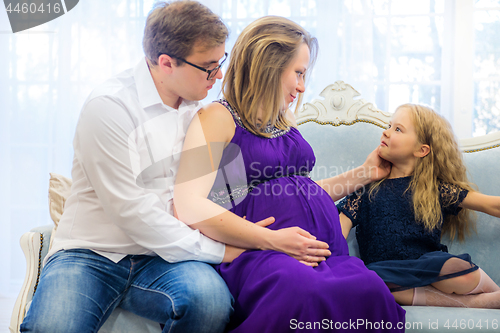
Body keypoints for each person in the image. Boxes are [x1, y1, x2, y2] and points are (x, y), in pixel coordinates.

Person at [18, 2, 294, 332]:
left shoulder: (203, 114)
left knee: (210, 303)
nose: (218, 75)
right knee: (53, 327)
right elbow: (134, 213)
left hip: (163, 260)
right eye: (208, 67)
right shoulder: (109, 108)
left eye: (220, 63)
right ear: (166, 64)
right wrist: (221, 250)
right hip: (92, 254)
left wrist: (253, 227)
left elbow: (223, 191)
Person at [174, 16, 406, 332]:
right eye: (297, 73)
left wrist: (366, 172)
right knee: (303, 293)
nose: (302, 85)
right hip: (261, 253)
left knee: (371, 288)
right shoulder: (217, 117)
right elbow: (188, 204)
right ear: (268, 66)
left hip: (323, 253)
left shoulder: (285, 120)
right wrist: (272, 240)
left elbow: (302, 191)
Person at [337, 103, 500, 308]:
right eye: (389, 126)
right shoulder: (365, 190)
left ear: (421, 150)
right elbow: (336, 234)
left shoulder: (436, 189)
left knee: (458, 269)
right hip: (384, 272)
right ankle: (478, 302)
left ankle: (495, 292)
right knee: (371, 281)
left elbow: (492, 205)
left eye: (397, 129)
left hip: (427, 266)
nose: (386, 132)